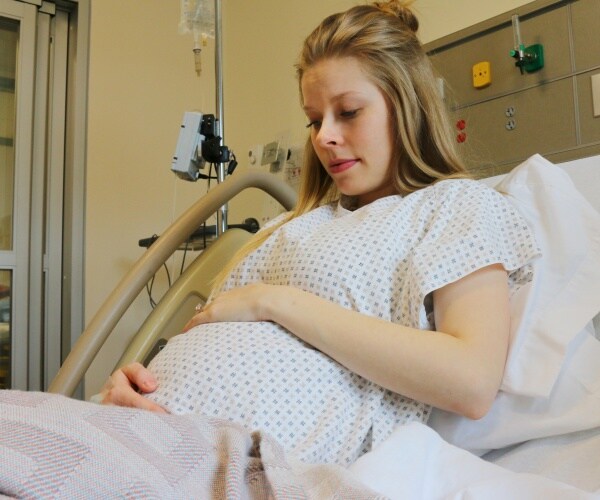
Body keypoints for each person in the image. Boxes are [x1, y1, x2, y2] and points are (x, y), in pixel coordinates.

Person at [99, 0, 539, 465]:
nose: (323, 136)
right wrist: (130, 381)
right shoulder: (290, 226)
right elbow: (204, 333)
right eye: (314, 119)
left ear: (408, 108)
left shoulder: (453, 208)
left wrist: (275, 301)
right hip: (130, 430)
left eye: (348, 112)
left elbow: (470, 381)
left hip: (222, 465)